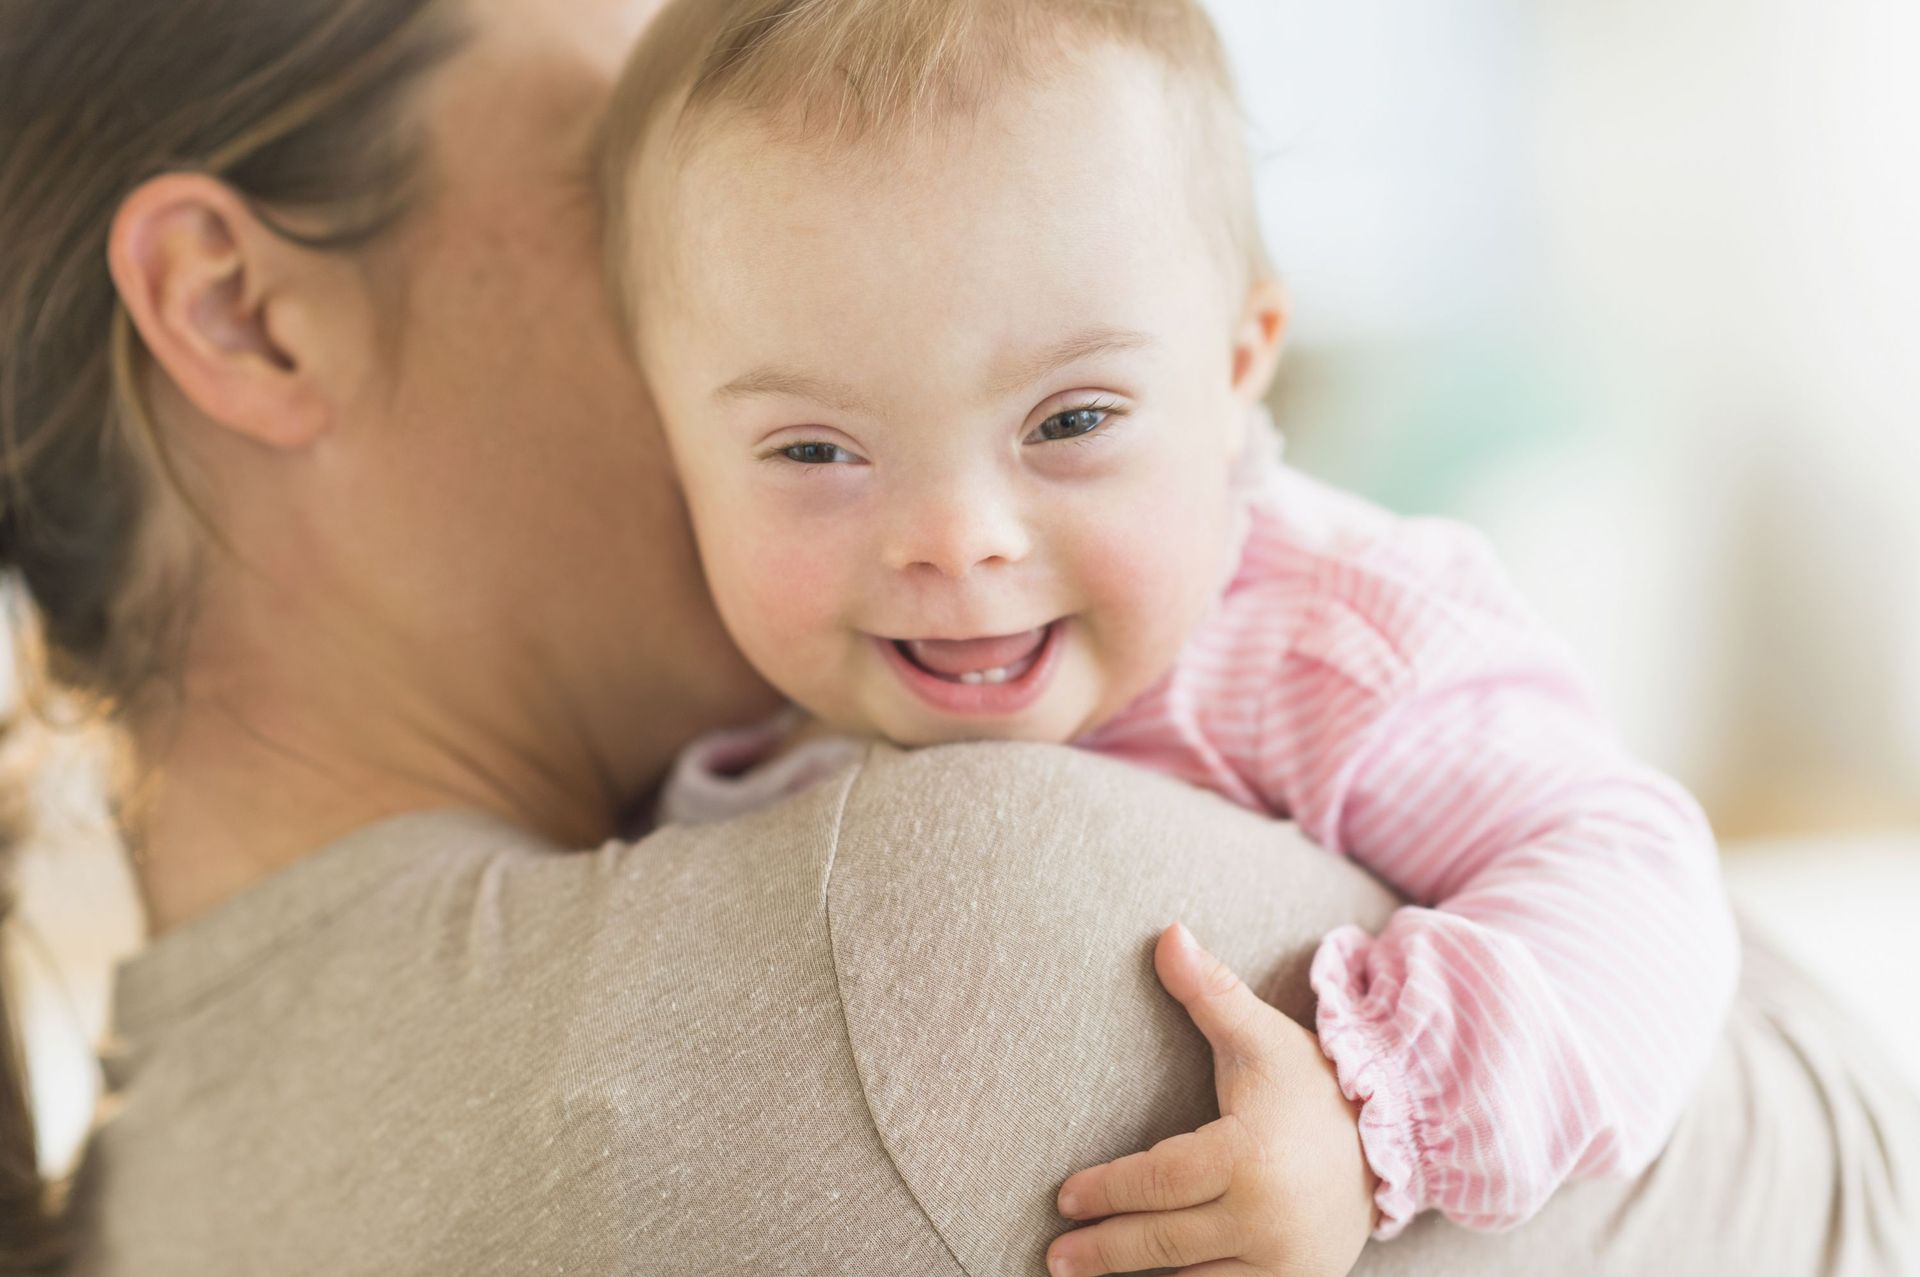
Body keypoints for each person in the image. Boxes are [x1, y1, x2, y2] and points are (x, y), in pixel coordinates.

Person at [0, 1, 1913, 1274]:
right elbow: (1856, 1177)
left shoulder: (160, 1166)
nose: (944, 528)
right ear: (240, 313)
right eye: (622, 203)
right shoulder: (894, 933)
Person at [604, 3, 1737, 1270]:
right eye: (815, 449)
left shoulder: (1322, 647)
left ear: (1239, 360)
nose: (957, 536)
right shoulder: (709, 704)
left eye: (1071, 420)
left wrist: (1374, 1127)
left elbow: (1632, 880)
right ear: (668, 441)